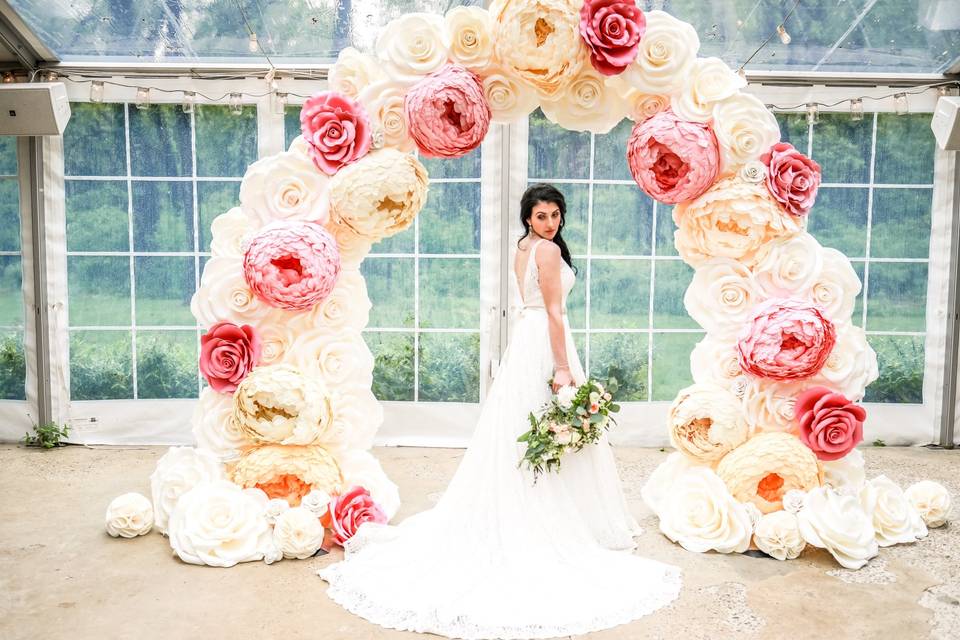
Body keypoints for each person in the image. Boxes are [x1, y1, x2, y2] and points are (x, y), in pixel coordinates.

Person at [319, 183, 681, 639]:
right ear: (528, 218)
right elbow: (553, 311)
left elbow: (538, 307)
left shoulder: (525, 247)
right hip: (546, 344)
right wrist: (564, 367)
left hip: (529, 341)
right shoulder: (545, 251)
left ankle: (556, 504)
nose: (550, 223)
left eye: (555, 215)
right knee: (550, 425)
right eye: (541, 215)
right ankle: (553, 516)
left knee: (532, 429)